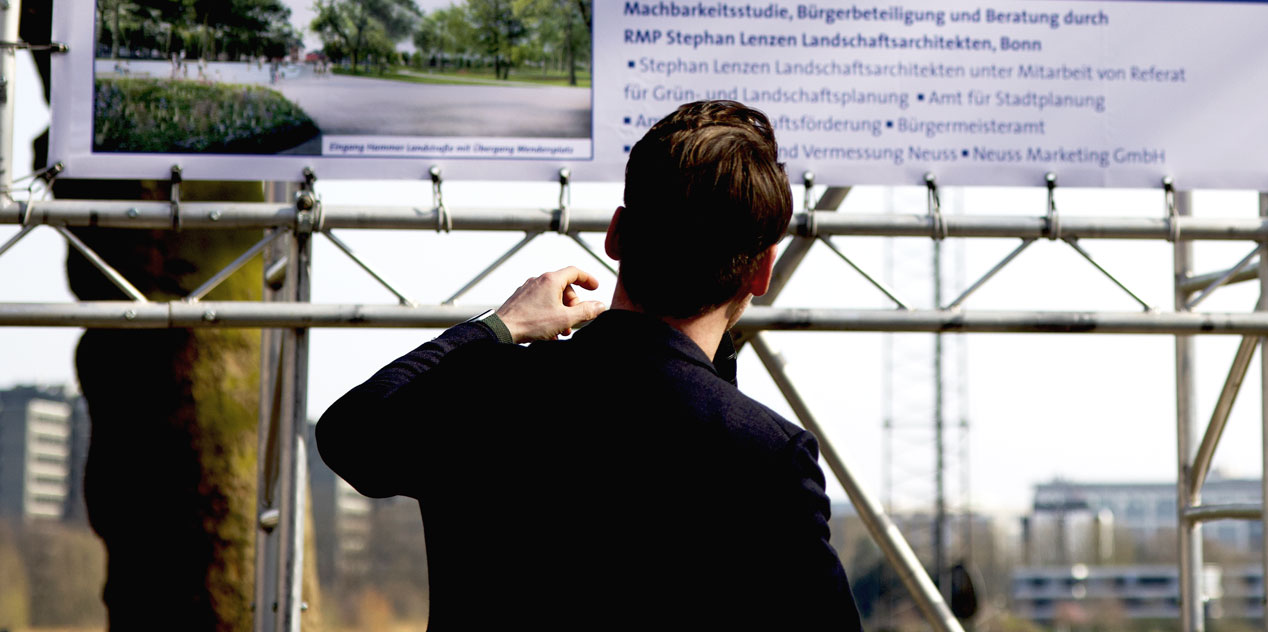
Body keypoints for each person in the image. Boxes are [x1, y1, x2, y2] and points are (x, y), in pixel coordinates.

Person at [316, 100, 861, 630]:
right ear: (761, 272)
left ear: (617, 234)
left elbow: (350, 432)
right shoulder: (767, 457)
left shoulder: (486, 388)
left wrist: (498, 327)